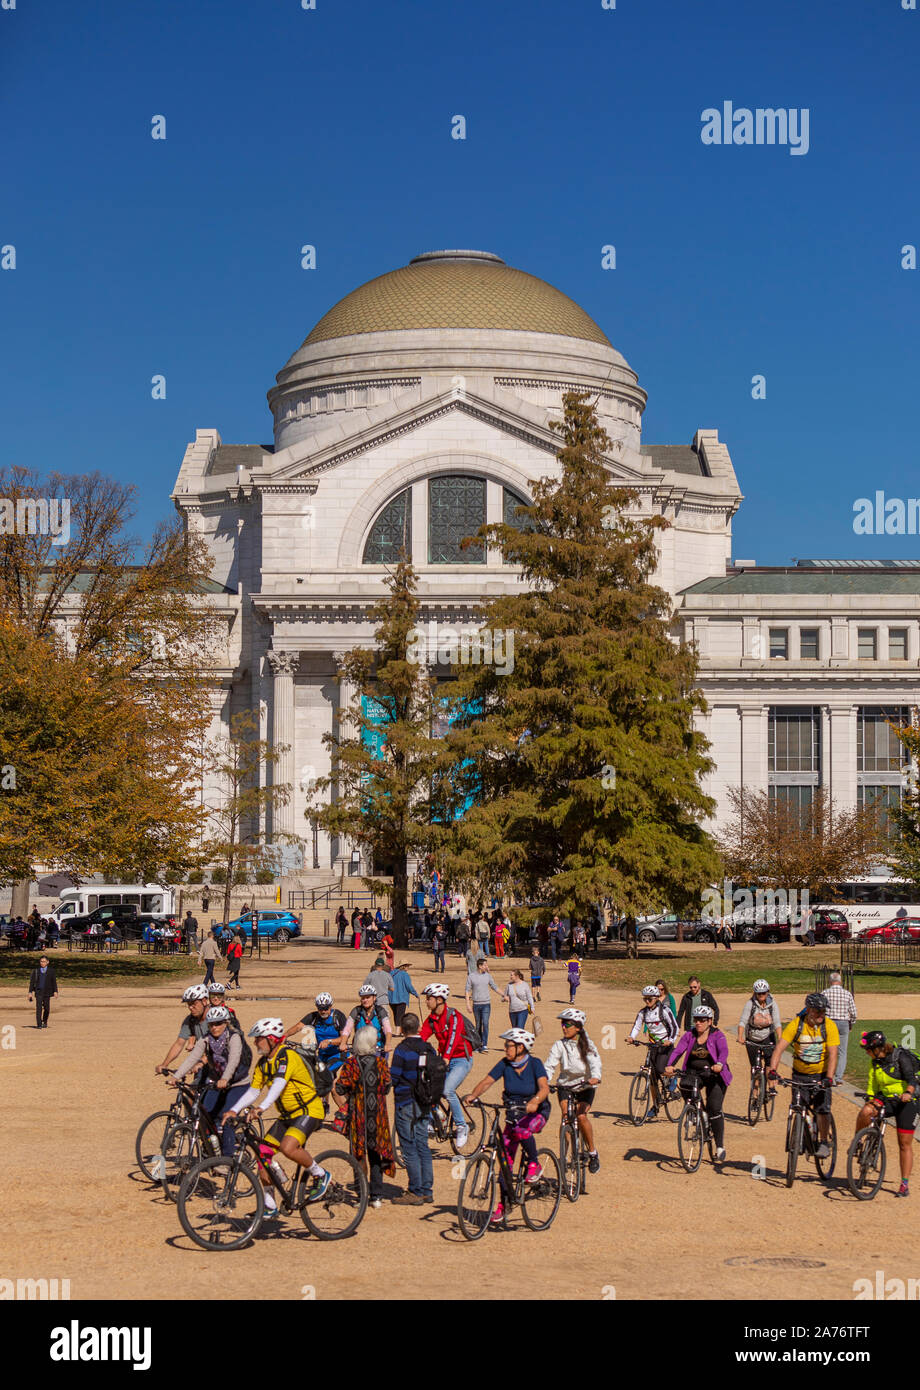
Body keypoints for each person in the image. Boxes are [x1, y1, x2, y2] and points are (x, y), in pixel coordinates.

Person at [228, 1018, 330, 1213]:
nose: (255, 1042)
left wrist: (261, 1108)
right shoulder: (263, 1064)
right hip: (287, 1115)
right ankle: (270, 1205)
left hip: (309, 1110)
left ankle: (320, 1174)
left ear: (272, 1039)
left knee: (287, 1147)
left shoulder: (287, 1056)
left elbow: (278, 1085)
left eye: (259, 1039)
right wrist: (234, 1109)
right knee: (262, 1154)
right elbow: (253, 1091)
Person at [463, 1028, 551, 1226]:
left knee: (522, 1130)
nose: (505, 1049)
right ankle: (504, 1205)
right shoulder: (505, 1064)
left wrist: (535, 1101)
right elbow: (487, 1082)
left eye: (509, 1045)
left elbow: (544, 1088)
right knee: (503, 1163)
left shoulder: (535, 1064)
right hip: (513, 1113)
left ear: (521, 1047)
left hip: (535, 1112)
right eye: (505, 1045)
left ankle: (534, 1164)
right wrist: (473, 1095)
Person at [168, 1005, 252, 1154]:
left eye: (218, 1023)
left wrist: (225, 1078)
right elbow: (192, 1058)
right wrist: (176, 1076)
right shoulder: (206, 1039)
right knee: (204, 1114)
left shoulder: (234, 1037)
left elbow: (233, 1060)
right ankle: (212, 1150)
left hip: (238, 1083)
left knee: (227, 1117)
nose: (214, 1027)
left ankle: (226, 1161)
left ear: (225, 1023)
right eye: (211, 1024)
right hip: (216, 1083)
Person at [769, 993, 839, 1159]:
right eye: (818, 1011)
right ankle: (800, 1132)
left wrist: (829, 1078)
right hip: (800, 1075)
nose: (821, 1014)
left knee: (822, 1109)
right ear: (808, 1010)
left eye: (823, 1011)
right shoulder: (796, 1025)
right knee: (799, 1105)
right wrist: (772, 1070)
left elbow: (833, 1054)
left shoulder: (829, 1026)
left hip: (821, 1075)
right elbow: (779, 1049)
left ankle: (823, 1141)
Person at [333, 1025, 395, 1209]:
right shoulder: (381, 1063)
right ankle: (376, 1196)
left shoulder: (351, 1064)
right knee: (376, 1155)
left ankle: (362, 1193)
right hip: (378, 1116)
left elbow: (340, 1088)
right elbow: (387, 1086)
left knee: (358, 1155)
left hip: (358, 1115)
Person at [665, 1004, 732, 1162]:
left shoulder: (717, 1035)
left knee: (714, 1108)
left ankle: (720, 1146)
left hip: (715, 1075)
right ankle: (696, 1110)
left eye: (702, 1020)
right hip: (694, 1073)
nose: (698, 1023)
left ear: (710, 1021)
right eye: (696, 1020)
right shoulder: (689, 1035)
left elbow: (724, 1051)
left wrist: (720, 1065)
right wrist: (670, 1065)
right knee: (684, 1084)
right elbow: (678, 1050)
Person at [855, 1030, 918, 1197]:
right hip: (887, 1099)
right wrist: (869, 1098)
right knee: (866, 1111)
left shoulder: (899, 1057)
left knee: (904, 1143)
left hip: (907, 1101)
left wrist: (908, 1093)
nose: (866, 1052)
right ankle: (858, 1142)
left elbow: (911, 1079)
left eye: (868, 1049)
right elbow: (872, 1084)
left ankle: (904, 1184)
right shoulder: (874, 1062)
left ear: (877, 1048)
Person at [545, 1009, 602, 1173]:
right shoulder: (559, 1045)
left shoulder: (587, 1044)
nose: (563, 1027)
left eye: (567, 1024)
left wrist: (595, 1077)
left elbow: (595, 1063)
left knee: (581, 1115)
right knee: (566, 1116)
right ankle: (564, 1155)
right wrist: (545, 1081)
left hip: (585, 1085)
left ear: (577, 1027)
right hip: (565, 1085)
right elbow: (549, 1065)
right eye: (562, 1023)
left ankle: (592, 1152)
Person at [389, 1013, 436, 1205]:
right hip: (425, 1102)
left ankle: (415, 1190)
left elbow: (394, 1077)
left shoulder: (402, 1050)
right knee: (422, 1144)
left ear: (402, 1030)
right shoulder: (428, 1048)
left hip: (406, 1101)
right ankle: (426, 1189)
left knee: (408, 1147)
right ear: (418, 1028)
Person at [420, 982, 474, 1149]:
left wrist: (446, 1058)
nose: (426, 1002)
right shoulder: (431, 1020)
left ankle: (461, 1125)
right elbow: (421, 1037)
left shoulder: (454, 1016)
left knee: (447, 1090)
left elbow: (453, 1039)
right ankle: (436, 1116)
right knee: (423, 1087)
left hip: (461, 1059)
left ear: (439, 1000)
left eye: (429, 998)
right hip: (443, 1059)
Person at [627, 984, 679, 1117]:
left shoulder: (665, 1010)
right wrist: (632, 1037)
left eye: (650, 999)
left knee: (661, 1069)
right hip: (653, 1046)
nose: (647, 1001)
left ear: (656, 998)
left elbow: (675, 1027)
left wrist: (671, 1040)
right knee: (652, 1077)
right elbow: (637, 1026)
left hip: (665, 1046)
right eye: (645, 999)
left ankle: (673, 1079)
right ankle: (656, 1105)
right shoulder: (642, 1012)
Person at [155, 985, 211, 1073]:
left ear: (204, 1001)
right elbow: (179, 1044)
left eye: (194, 1003)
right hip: (203, 1064)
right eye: (188, 1004)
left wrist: (201, 1063)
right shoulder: (190, 1020)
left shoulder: (216, 1019)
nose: (191, 1007)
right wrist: (165, 1064)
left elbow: (219, 1047)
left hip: (222, 1064)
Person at [737, 978, 781, 1077]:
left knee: (770, 1064)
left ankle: (770, 1088)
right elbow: (743, 1021)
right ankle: (755, 1091)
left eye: (763, 993)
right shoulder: (750, 1004)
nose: (761, 995)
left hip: (767, 1036)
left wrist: (780, 1037)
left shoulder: (772, 1004)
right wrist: (740, 1036)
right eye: (758, 993)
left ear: (768, 992)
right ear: (755, 993)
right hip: (752, 1038)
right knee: (755, 1067)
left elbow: (777, 1022)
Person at [822, 971, 858, 1083]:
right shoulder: (847, 994)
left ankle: (828, 1075)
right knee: (842, 1052)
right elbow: (853, 1012)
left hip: (829, 1022)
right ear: (840, 981)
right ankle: (838, 1077)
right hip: (843, 1022)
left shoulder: (824, 993)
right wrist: (851, 1023)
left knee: (828, 1050)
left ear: (830, 981)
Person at [339, 985, 393, 1055]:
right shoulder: (356, 1011)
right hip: (359, 1047)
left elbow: (387, 1029)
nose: (365, 1000)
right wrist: (343, 1043)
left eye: (368, 997)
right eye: (363, 998)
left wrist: (387, 1044)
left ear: (374, 998)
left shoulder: (380, 1011)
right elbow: (347, 1029)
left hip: (377, 1048)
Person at [465, 958, 502, 1052]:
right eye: (485, 965)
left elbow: (494, 987)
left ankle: (484, 1044)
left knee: (485, 1024)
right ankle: (478, 1044)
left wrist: (504, 995)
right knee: (478, 1025)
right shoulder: (471, 976)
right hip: (476, 1004)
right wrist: (468, 1004)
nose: (487, 967)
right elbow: (467, 990)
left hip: (486, 1004)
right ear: (480, 966)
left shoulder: (488, 976)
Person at [28, 955, 58, 1028]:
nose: (42, 963)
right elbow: (32, 982)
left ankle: (44, 1021)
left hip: (47, 992)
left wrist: (55, 991)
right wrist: (30, 992)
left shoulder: (51, 971)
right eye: (41, 961)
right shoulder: (36, 971)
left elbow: (54, 982)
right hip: (38, 992)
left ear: (47, 962)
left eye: (44, 961)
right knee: (39, 1008)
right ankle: (39, 1024)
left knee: (47, 1008)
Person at [388, 960, 419, 1030]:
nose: (408, 968)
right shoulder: (405, 974)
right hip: (401, 997)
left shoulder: (391, 973)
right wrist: (415, 994)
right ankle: (397, 1032)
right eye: (407, 966)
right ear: (404, 966)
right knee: (400, 1015)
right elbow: (409, 986)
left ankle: (398, 1031)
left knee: (396, 1015)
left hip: (391, 998)